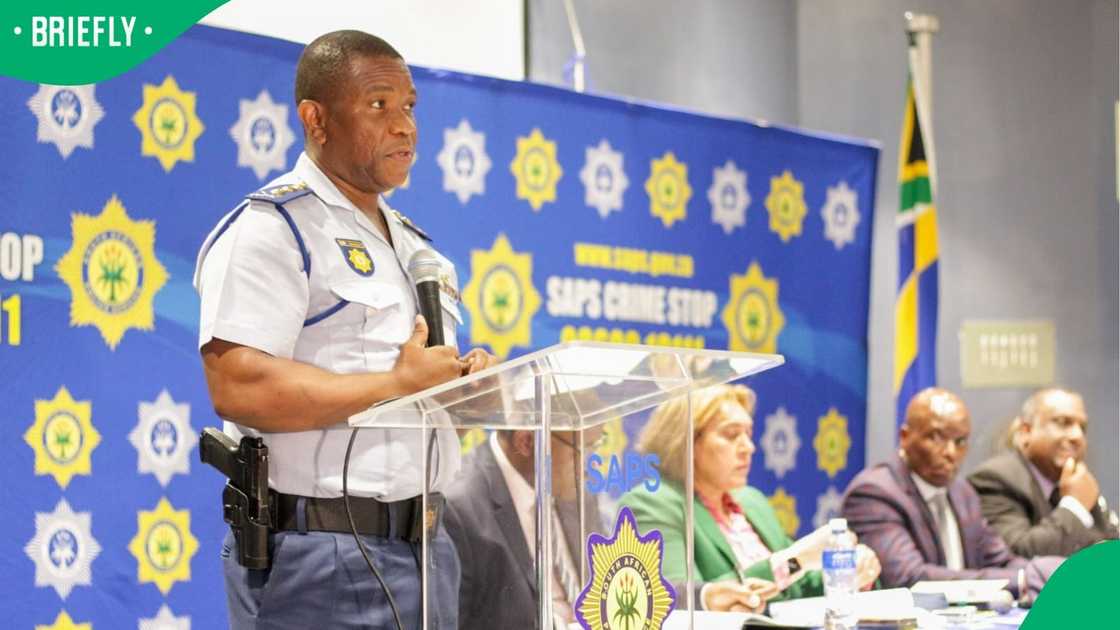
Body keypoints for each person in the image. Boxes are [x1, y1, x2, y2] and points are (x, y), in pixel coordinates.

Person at [193, 30, 497, 630]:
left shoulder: (415, 246)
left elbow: (413, 381)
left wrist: (459, 385)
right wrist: (394, 383)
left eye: (409, 107)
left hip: (431, 550)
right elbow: (239, 386)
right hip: (323, 552)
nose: (405, 126)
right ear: (316, 118)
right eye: (379, 105)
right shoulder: (273, 229)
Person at [618, 384, 880, 614]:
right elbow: (677, 598)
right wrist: (794, 559)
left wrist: (849, 572)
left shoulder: (751, 501)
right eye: (732, 435)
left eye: (748, 434)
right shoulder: (653, 502)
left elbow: (794, 587)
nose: (748, 447)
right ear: (685, 441)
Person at [841, 388, 1062, 598]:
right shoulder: (875, 493)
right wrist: (1022, 580)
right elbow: (909, 579)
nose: (950, 453)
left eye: (960, 442)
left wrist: (1049, 576)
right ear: (905, 436)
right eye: (936, 438)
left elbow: (1000, 560)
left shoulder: (962, 492)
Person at [444, 429, 603, 630]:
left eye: (596, 445)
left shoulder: (577, 488)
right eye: (582, 449)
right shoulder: (459, 507)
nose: (592, 466)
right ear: (526, 442)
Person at [968, 388, 1118, 557]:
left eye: (1082, 427)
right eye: (1062, 422)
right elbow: (1018, 556)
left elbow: (1109, 549)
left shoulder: (1075, 481)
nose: (1077, 436)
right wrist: (1075, 506)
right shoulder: (994, 479)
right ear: (1026, 432)